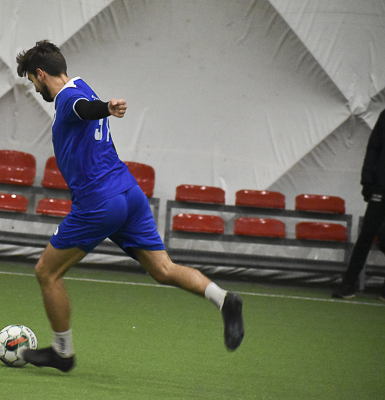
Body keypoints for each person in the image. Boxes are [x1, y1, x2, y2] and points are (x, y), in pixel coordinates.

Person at [15, 40, 244, 372]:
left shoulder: (66, 97)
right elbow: (86, 106)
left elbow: (83, 109)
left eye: (32, 82)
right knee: (163, 269)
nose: (36, 89)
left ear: (40, 74)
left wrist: (105, 108)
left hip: (99, 202)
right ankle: (223, 299)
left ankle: (62, 352)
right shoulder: (82, 85)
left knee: (46, 272)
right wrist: (104, 106)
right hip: (129, 194)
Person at [333, 108, 385, 300]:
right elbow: (373, 148)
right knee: (367, 234)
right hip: (381, 186)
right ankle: (348, 284)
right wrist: (367, 181)